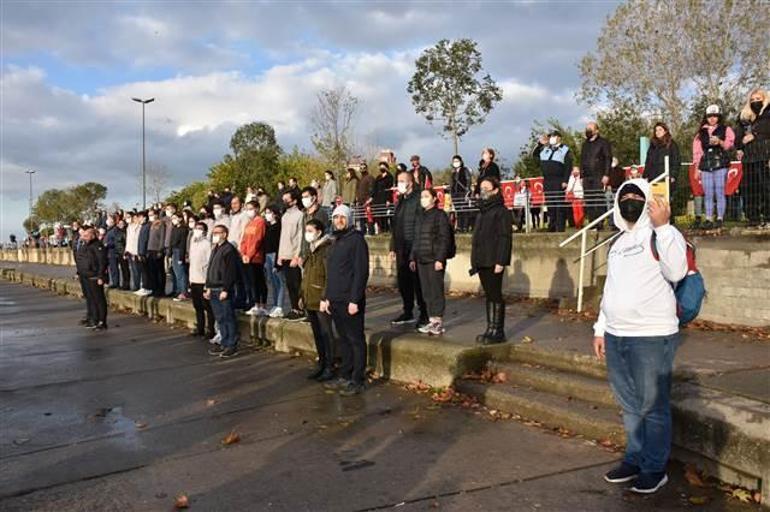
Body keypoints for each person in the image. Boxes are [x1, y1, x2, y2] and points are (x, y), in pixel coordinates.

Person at [592, 179, 687, 495]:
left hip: (650, 335)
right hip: (617, 335)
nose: (630, 200)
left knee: (653, 406)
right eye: (624, 196)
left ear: (647, 201)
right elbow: (611, 289)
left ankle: (653, 468)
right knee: (630, 404)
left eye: (636, 196)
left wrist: (664, 227)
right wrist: (600, 328)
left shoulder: (660, 235)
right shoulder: (617, 243)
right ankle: (634, 457)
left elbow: (677, 272)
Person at [320, 205, 370, 396]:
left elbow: (361, 271)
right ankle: (346, 374)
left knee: (355, 339)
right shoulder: (335, 240)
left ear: (349, 219)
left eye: (343, 217)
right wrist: (326, 297)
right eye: (336, 217)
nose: (339, 220)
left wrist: (355, 299)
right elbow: (331, 273)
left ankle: (358, 379)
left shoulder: (356, 240)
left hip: (350, 299)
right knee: (344, 339)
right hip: (335, 298)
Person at [471, 177, 513, 344]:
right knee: (489, 294)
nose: (483, 191)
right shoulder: (482, 211)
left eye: (487, 188)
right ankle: (491, 328)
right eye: (481, 188)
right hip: (482, 259)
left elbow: (505, 238)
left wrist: (501, 261)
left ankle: (498, 330)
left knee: (495, 294)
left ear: (496, 190)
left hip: (493, 259)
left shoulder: (501, 211)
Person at [411, 187, 452, 336]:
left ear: (435, 198)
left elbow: (444, 238)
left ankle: (438, 321)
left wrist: (440, 258)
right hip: (421, 259)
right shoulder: (420, 216)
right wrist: (412, 257)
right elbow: (416, 239)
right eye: (422, 196)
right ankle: (431, 320)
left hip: (434, 259)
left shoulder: (440, 216)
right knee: (426, 292)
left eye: (426, 196)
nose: (423, 199)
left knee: (436, 290)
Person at [389, 171, 428, 328]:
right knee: (403, 282)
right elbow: (395, 226)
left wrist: (416, 248)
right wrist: (393, 247)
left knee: (418, 283)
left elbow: (420, 225)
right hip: (401, 247)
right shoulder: (400, 201)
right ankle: (407, 311)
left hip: (414, 246)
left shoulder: (418, 199)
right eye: (398, 181)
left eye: (402, 181)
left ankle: (424, 313)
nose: (399, 184)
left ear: (410, 182)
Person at [300, 218, 335, 382]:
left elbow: (329, 276)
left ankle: (330, 365)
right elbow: (305, 275)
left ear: (319, 232)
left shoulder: (326, 250)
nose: (307, 234)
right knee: (317, 334)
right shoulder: (311, 250)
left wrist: (325, 297)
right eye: (306, 231)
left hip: (320, 297)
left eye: (310, 231)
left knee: (326, 333)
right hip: (310, 297)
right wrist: (301, 295)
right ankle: (322, 363)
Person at [692, 105, 735, 230]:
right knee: (708, 193)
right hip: (705, 165)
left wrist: (720, 142)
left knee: (720, 191)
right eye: (709, 116)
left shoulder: (726, 129)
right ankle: (709, 218)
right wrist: (696, 168)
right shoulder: (700, 133)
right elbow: (697, 152)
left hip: (721, 163)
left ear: (719, 117)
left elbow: (730, 145)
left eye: (715, 116)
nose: (712, 119)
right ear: (706, 117)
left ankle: (720, 218)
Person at [736, 88, 770, 227]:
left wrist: (755, 136)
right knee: (749, 189)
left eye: (758, 99)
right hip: (749, 157)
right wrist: (739, 147)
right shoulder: (744, 117)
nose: (756, 102)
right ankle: (753, 218)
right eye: (753, 100)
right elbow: (738, 135)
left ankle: (768, 216)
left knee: (766, 187)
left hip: (765, 154)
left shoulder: (768, 114)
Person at [205, 224, 239, 358]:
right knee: (220, 318)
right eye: (213, 233)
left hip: (222, 288)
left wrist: (226, 289)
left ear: (225, 234)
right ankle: (224, 342)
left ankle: (231, 344)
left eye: (218, 233)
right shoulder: (215, 249)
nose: (215, 235)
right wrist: (207, 287)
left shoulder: (229, 249)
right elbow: (210, 269)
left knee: (228, 317)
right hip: (213, 287)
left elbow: (231, 272)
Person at [534, 130, 572, 232]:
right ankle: (552, 226)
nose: (551, 138)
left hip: (558, 180)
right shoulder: (545, 149)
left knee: (559, 204)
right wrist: (539, 144)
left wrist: (565, 180)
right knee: (550, 204)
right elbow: (535, 156)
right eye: (550, 136)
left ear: (559, 137)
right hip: (547, 180)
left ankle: (560, 227)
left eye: (553, 136)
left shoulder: (565, 149)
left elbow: (568, 166)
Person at [644, 122, 681, 223]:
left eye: (660, 130)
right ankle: (655, 221)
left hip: (666, 176)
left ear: (665, 131)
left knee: (667, 201)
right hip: (653, 177)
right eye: (656, 130)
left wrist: (673, 175)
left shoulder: (672, 144)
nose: (657, 132)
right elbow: (648, 161)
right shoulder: (652, 145)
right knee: (654, 201)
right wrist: (646, 175)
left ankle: (669, 222)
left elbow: (676, 160)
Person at [278, 188, 306, 321]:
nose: (284, 202)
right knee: (289, 284)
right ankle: (294, 307)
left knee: (297, 283)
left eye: (287, 200)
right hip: (285, 254)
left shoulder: (300, 215)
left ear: (294, 201)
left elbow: (300, 236)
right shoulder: (284, 216)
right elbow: (282, 237)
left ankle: (301, 309)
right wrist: (280, 254)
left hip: (294, 255)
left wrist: (297, 255)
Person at [75, 226, 108, 330]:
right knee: (91, 299)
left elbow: (102, 262)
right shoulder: (86, 245)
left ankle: (102, 321)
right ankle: (94, 319)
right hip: (85, 275)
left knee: (99, 300)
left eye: (86, 235)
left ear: (92, 235)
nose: (84, 237)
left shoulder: (97, 245)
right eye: (83, 236)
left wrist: (100, 276)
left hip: (94, 276)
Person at [580, 122, 613, 226]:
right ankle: (592, 222)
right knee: (589, 199)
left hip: (599, 175)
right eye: (587, 128)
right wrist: (582, 175)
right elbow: (582, 160)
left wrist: (606, 174)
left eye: (590, 128)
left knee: (598, 198)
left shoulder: (603, 142)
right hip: (587, 176)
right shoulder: (585, 144)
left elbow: (608, 158)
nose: (588, 130)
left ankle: (600, 222)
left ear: (596, 130)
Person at [240, 201, 268, 316]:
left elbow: (258, 240)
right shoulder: (249, 223)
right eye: (247, 209)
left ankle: (263, 305)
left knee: (259, 281)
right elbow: (244, 240)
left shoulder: (260, 222)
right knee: (252, 282)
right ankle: (256, 304)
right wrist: (243, 253)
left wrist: (249, 255)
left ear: (257, 209)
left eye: (251, 208)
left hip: (256, 257)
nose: (249, 211)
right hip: (247, 257)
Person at [188, 221, 215, 340]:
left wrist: (208, 282)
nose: (197, 230)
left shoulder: (206, 243)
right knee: (197, 306)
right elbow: (191, 262)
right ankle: (200, 328)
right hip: (194, 278)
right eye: (196, 228)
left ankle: (211, 330)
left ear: (204, 231)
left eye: (200, 228)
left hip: (203, 279)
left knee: (207, 307)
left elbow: (210, 263)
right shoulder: (193, 242)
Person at [263, 205, 285, 318]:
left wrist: (277, 261)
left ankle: (280, 306)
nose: (267, 215)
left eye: (269, 212)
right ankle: (275, 305)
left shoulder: (279, 227)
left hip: (275, 254)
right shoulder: (267, 227)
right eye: (266, 212)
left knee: (280, 282)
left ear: (275, 214)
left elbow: (279, 244)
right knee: (272, 282)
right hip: (267, 255)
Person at [169, 212, 189, 301]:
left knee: (181, 273)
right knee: (176, 273)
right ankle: (178, 290)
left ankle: (183, 292)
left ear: (180, 218)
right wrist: (169, 254)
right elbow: (171, 242)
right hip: (174, 251)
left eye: (175, 218)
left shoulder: (183, 229)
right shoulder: (174, 229)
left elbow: (182, 244)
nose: (173, 220)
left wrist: (181, 257)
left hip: (179, 252)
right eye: (172, 218)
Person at [449, 155, 472, 232]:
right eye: (454, 161)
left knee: (465, 210)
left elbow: (468, 181)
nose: (455, 163)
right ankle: (459, 227)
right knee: (458, 210)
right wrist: (451, 194)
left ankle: (465, 227)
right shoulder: (453, 173)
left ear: (461, 162)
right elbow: (451, 184)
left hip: (463, 192)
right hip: (455, 193)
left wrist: (467, 192)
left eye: (457, 161)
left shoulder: (465, 170)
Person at [146, 209, 166, 297]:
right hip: (150, 250)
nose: (150, 216)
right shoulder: (151, 225)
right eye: (149, 215)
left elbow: (162, 237)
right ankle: (154, 289)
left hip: (157, 250)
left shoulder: (160, 224)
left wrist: (160, 250)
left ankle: (160, 290)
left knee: (159, 272)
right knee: (152, 272)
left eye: (152, 214)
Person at [372, 162, 394, 233]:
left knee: (385, 215)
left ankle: (386, 230)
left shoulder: (390, 177)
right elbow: (374, 188)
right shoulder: (378, 177)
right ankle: (380, 229)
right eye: (380, 167)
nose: (381, 168)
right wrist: (372, 197)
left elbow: (390, 189)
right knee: (378, 216)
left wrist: (388, 199)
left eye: (382, 166)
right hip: (377, 199)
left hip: (385, 198)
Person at [356, 163, 375, 234]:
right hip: (360, 201)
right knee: (361, 218)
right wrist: (357, 199)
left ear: (366, 168)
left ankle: (371, 231)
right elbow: (357, 189)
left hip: (367, 201)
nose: (362, 169)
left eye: (363, 168)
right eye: (361, 168)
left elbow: (372, 189)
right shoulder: (360, 179)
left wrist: (370, 198)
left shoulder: (370, 177)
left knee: (369, 217)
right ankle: (362, 231)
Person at [126, 211, 142, 291]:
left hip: (135, 251)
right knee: (132, 269)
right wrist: (126, 250)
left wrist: (135, 252)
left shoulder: (139, 227)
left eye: (129, 217)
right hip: (129, 250)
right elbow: (128, 240)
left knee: (137, 269)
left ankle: (137, 285)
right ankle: (135, 285)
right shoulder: (128, 227)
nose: (127, 219)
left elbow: (137, 241)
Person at [114, 217, 130, 290]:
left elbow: (125, 243)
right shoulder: (117, 232)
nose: (120, 225)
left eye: (122, 223)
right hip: (118, 252)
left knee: (125, 269)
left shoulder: (125, 232)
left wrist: (124, 252)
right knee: (123, 269)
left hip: (123, 252)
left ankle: (127, 284)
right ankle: (124, 283)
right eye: (119, 224)